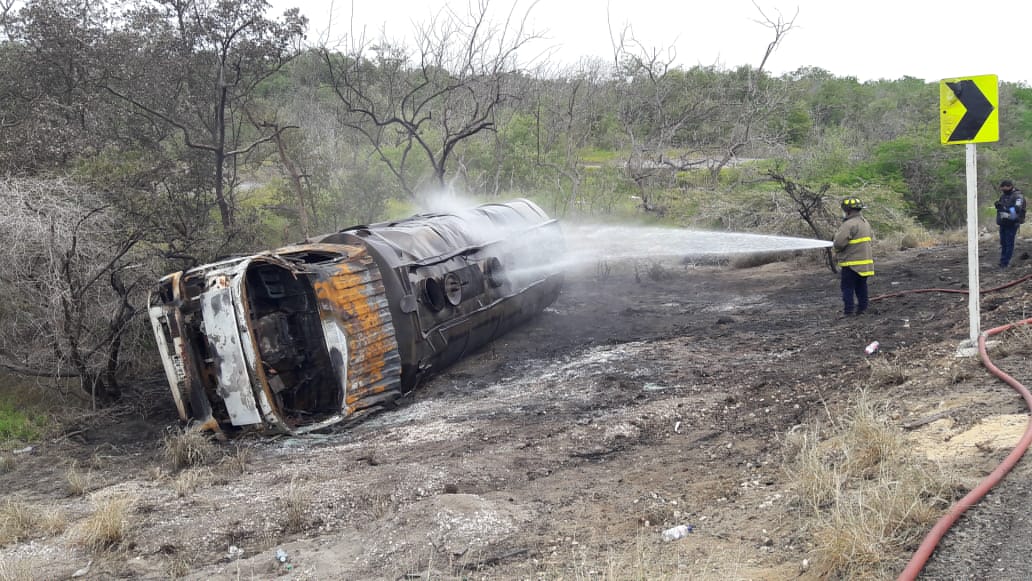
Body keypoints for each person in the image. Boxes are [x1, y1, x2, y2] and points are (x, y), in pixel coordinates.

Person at [832, 197, 874, 317]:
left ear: (848, 211)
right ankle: (862, 309)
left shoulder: (849, 224)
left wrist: (835, 247)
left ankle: (848, 312)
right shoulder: (865, 222)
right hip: (864, 263)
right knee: (861, 287)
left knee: (847, 288)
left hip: (851, 263)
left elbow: (839, 243)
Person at [994, 179, 1026, 268]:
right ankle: (1003, 261)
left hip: (1012, 222)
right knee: (1003, 242)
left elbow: (1017, 209)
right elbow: (1001, 207)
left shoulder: (1018, 196)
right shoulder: (1004, 196)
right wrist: (998, 206)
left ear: (1009, 186)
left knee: (1009, 243)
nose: (1003, 189)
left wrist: (1005, 208)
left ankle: (1005, 262)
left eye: (1004, 187)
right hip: (1003, 222)